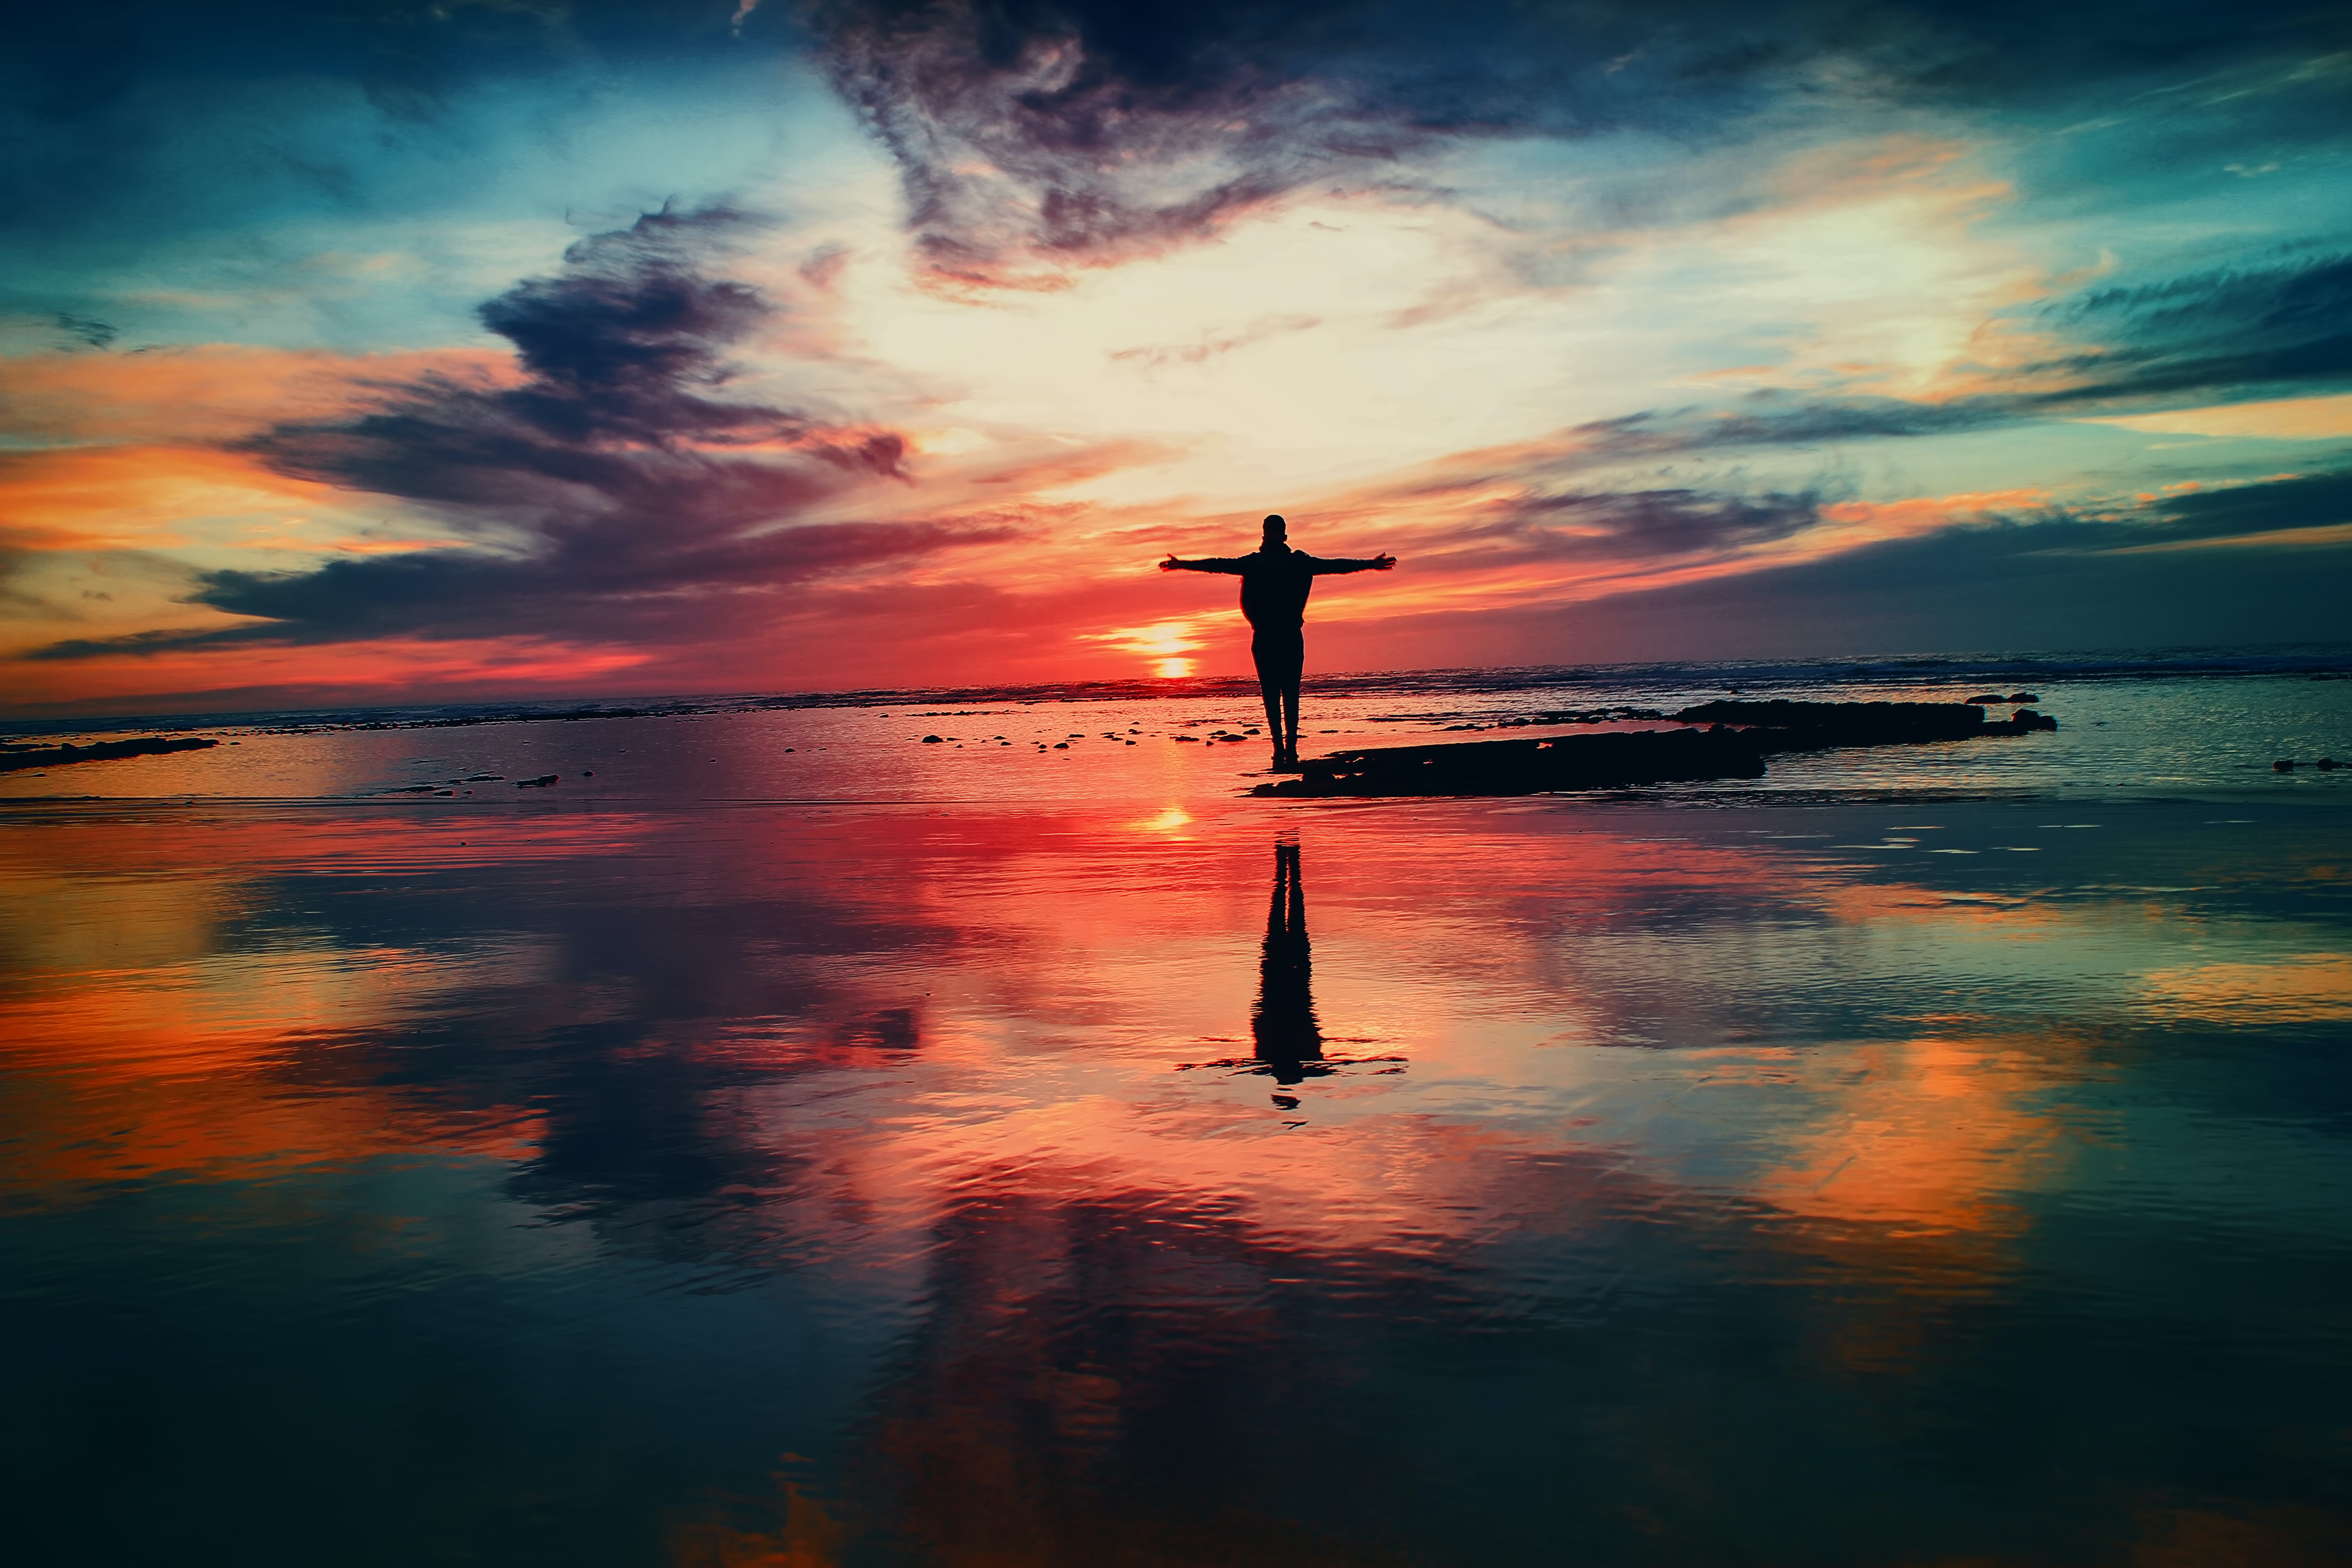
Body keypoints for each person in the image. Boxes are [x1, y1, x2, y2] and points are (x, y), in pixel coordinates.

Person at [1160, 514, 1396, 768]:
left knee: (1273, 693)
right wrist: (1370, 565)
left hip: (1267, 636)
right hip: (1288, 635)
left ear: (1265, 536)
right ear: (1284, 537)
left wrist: (1182, 564)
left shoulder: (1258, 563)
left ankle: (1281, 748)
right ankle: (1288, 747)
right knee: (1289, 692)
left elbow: (1218, 564)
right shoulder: (1296, 563)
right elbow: (1335, 566)